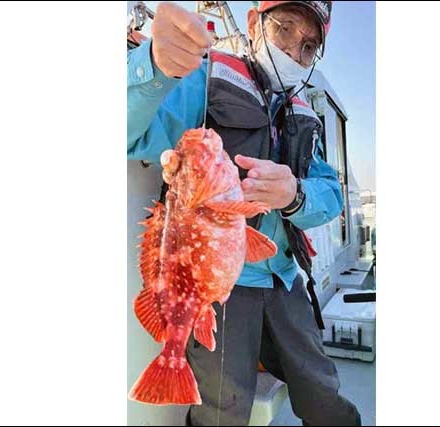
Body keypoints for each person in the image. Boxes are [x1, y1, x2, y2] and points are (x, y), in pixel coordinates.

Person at [128, 1, 361, 425]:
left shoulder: (306, 114)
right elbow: (129, 129)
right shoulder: (204, 80)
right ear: (254, 24)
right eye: (285, 28)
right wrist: (153, 65)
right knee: (223, 411)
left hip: (286, 277)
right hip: (221, 287)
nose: (294, 51)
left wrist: (295, 194)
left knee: (322, 395)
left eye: (308, 46)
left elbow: (329, 193)